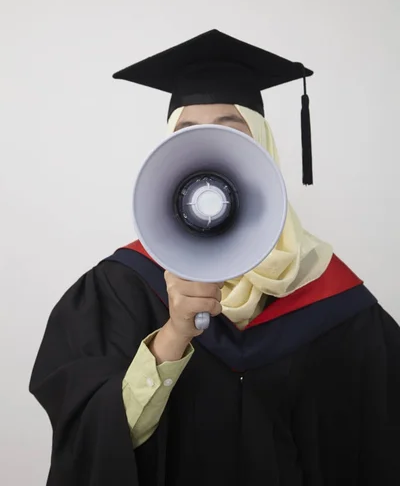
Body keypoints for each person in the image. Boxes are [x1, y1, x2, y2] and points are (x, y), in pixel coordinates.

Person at [30, 30, 400, 486]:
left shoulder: (332, 296)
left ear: (264, 147)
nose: (209, 146)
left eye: (229, 131)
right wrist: (171, 338)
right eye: (189, 134)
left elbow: (377, 438)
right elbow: (90, 439)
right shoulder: (121, 287)